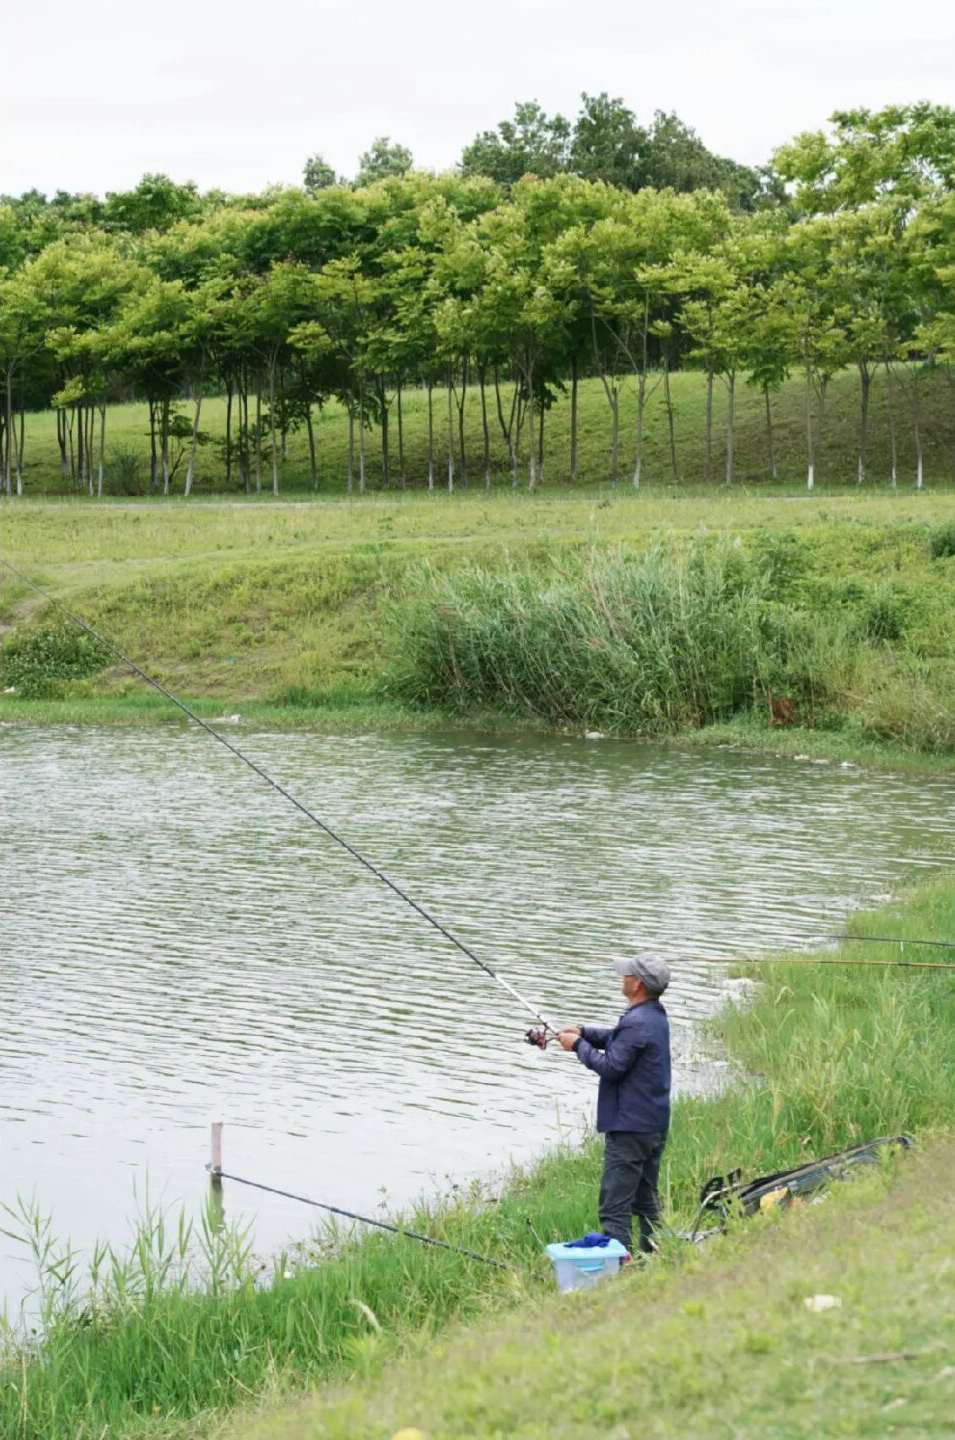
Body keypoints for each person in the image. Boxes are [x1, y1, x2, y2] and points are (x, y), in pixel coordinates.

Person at [558, 954, 671, 1257]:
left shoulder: (637, 1022)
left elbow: (612, 1066)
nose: (622, 977)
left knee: (614, 1207)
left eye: (627, 974)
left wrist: (577, 1047)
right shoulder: (654, 1015)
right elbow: (617, 1040)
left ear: (637, 984)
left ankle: (621, 1271)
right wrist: (583, 1032)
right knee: (645, 1200)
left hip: (630, 1129)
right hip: (653, 1125)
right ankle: (656, 1255)